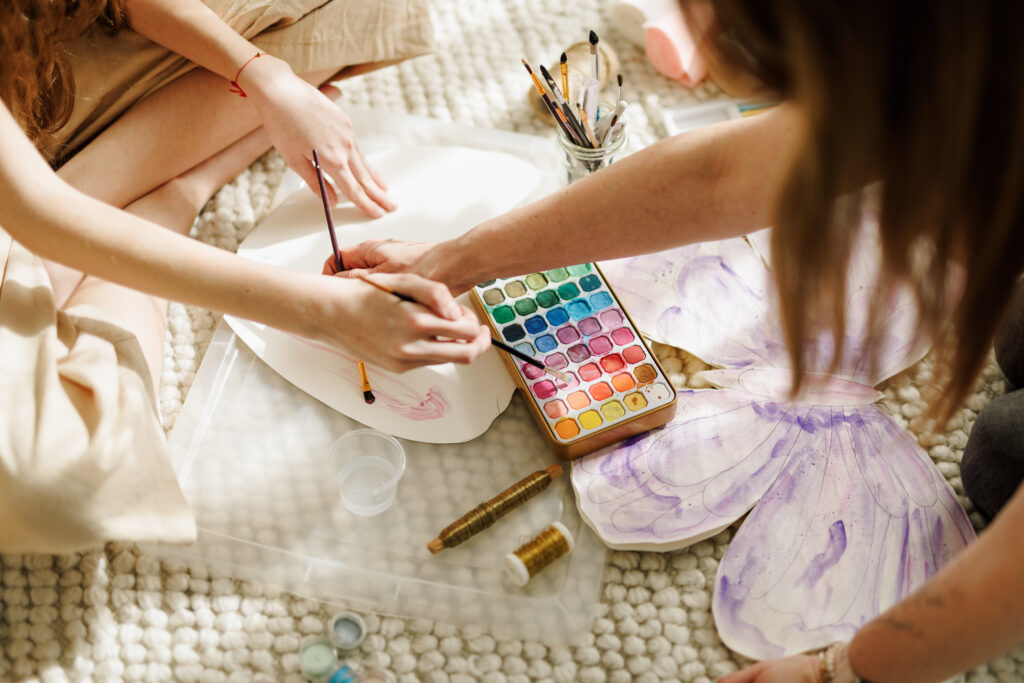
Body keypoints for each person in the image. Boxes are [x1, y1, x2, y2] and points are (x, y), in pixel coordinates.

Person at [335, 1, 1024, 681]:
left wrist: (841, 669)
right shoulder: (935, 69)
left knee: (999, 453)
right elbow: (719, 176)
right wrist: (453, 260)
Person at [0, 0, 490, 554]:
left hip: (37, 102)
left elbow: (41, 214)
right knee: (62, 486)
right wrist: (324, 311)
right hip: (30, 178)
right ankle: (178, 194)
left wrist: (261, 75)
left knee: (363, 14)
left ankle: (155, 194)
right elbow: (42, 219)